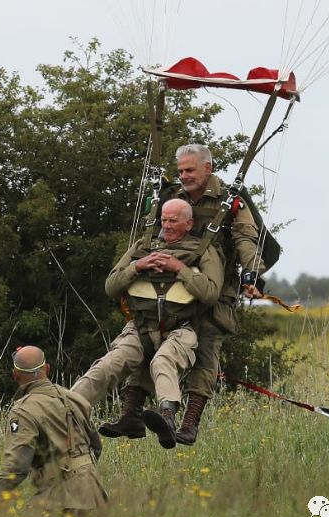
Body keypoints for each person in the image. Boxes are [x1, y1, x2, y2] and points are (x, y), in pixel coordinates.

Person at [100, 143, 270, 446]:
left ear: (208, 167)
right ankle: (131, 414)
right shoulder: (171, 197)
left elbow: (246, 239)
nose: (184, 176)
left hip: (211, 287)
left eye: (189, 170)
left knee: (205, 347)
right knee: (146, 337)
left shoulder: (230, 201)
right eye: (180, 171)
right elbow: (153, 234)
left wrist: (252, 274)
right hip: (166, 286)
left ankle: (189, 423)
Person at [71, 198, 224, 448]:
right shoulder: (143, 246)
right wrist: (138, 266)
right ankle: (66, 409)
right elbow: (111, 286)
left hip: (181, 327)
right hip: (140, 326)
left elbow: (210, 293)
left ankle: (166, 416)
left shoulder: (203, 250)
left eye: (173, 220)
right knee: (109, 364)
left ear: (189, 223)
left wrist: (179, 268)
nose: (167, 225)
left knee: (163, 361)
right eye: (164, 219)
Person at [0, 346, 107, 517]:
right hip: (95, 491)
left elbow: (16, 468)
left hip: (61, 497)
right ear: (47, 369)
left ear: (15, 375)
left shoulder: (23, 411)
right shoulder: (75, 399)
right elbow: (96, 446)